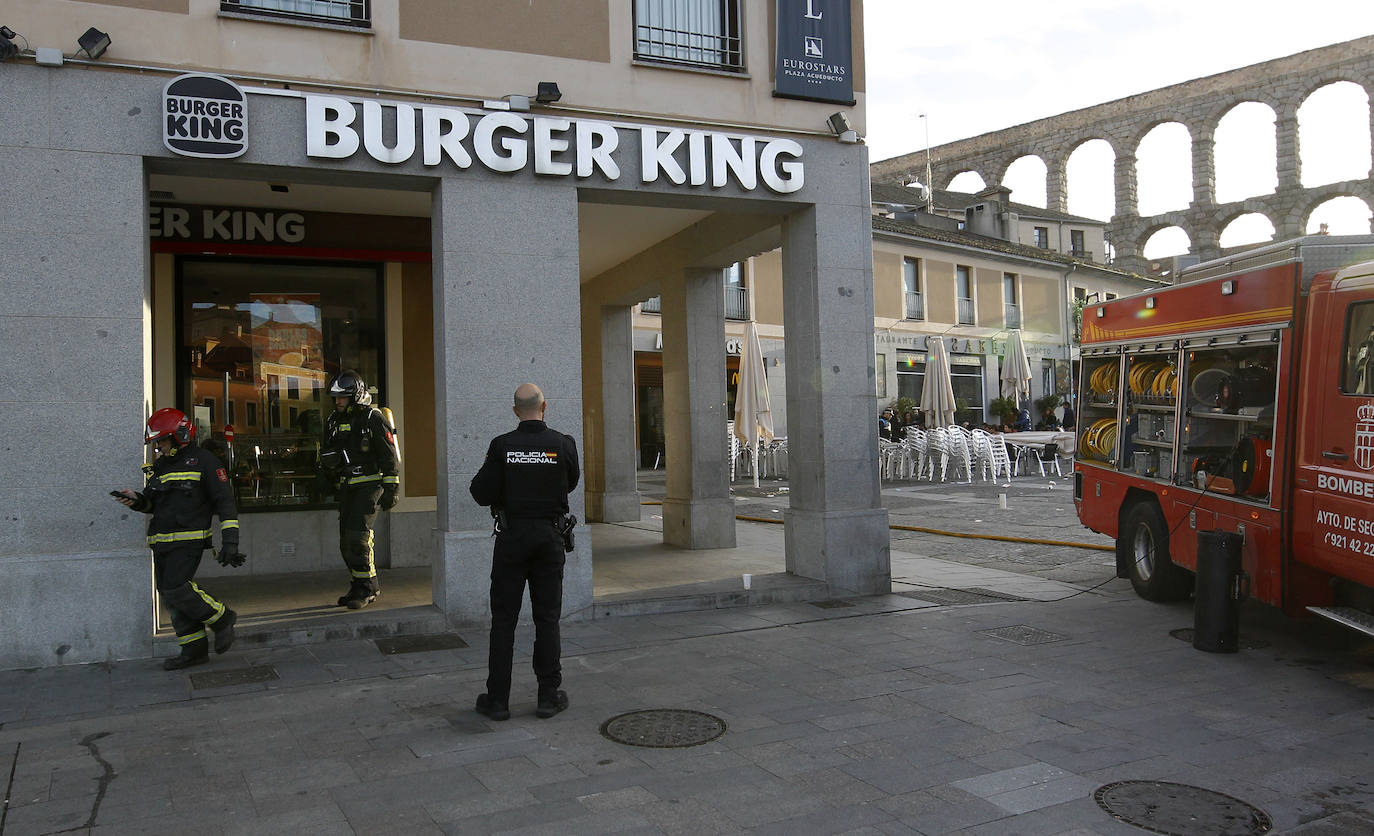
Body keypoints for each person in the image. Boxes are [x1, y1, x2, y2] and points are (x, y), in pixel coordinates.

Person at [469, 383, 580, 721]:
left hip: (513, 538)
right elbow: (571, 482)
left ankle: (498, 700)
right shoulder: (563, 444)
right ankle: (548, 695)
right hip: (549, 537)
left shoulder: (502, 446)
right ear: (544, 407)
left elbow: (480, 492)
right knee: (547, 618)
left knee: (504, 619)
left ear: (515, 410)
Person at [113, 408, 243, 670]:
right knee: (171, 596)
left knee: (175, 588)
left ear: (179, 435)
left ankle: (222, 617)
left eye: (161, 441)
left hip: (189, 541)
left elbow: (225, 502)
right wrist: (137, 501)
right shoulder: (161, 466)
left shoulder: (205, 461)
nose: (158, 447)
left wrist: (231, 541)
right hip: (162, 542)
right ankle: (193, 650)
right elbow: (154, 504)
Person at [322, 369, 400, 610]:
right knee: (346, 541)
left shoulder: (372, 418)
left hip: (370, 485)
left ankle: (367, 588)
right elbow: (328, 452)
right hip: (348, 487)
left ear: (355, 395)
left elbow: (389, 456)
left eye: (343, 397)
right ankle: (359, 584)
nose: (338, 402)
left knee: (358, 537)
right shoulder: (333, 420)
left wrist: (391, 489)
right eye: (335, 398)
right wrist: (327, 475)